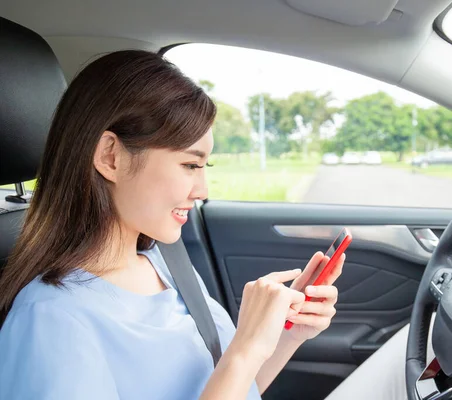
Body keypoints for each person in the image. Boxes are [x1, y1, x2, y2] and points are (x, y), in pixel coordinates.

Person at [0, 50, 345, 400]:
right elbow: (234, 372)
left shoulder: (165, 264)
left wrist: (289, 333)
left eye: (204, 168)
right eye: (189, 165)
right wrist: (245, 350)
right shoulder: (51, 322)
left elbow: (233, 389)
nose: (202, 191)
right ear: (111, 157)